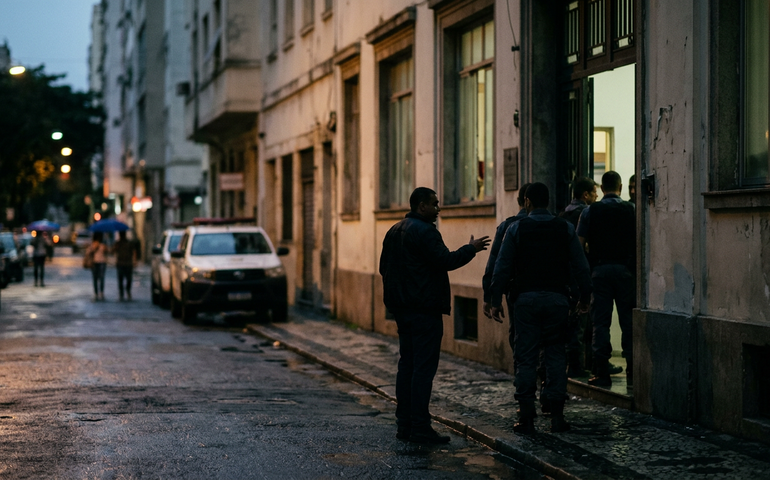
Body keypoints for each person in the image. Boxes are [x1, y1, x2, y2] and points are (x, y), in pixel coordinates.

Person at [379, 187, 490, 444]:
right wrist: (470, 248)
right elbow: (445, 261)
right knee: (422, 369)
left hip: (403, 310)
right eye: (434, 204)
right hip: (423, 309)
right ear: (421, 207)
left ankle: (404, 424)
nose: (439, 208)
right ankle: (419, 427)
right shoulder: (426, 231)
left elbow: (384, 268)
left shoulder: (394, 230)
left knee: (406, 365)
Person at [490, 182, 592, 435]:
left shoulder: (515, 229)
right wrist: (584, 297)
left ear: (526, 202)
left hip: (525, 301)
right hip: (557, 301)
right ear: (547, 201)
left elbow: (502, 267)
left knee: (526, 357)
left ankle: (526, 418)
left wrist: (494, 299)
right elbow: (580, 266)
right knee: (556, 355)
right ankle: (556, 416)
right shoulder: (565, 228)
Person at [577, 171, 636, 388]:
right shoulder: (631, 209)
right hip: (625, 271)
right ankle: (632, 368)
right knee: (628, 321)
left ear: (602, 189)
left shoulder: (590, 211)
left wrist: (588, 266)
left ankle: (601, 370)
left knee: (600, 322)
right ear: (620, 187)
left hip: (599, 271)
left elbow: (578, 244)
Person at [482, 183, 530, 375]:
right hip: (553, 292)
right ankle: (549, 387)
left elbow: (496, 264)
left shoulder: (508, 226)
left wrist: (491, 297)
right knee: (549, 342)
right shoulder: (559, 225)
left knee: (519, 336)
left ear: (521, 201)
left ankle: (524, 387)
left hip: (517, 293)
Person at [558, 177, 597, 378]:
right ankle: (577, 365)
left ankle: (571, 363)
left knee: (571, 321)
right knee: (580, 322)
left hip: (565, 274)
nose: (597, 196)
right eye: (594, 192)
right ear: (586, 195)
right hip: (580, 273)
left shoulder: (563, 214)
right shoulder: (585, 213)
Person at [113, 231, 137, 301]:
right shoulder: (118, 243)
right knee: (120, 279)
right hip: (120, 263)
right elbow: (113, 251)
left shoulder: (129, 243)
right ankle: (121, 293)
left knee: (128, 279)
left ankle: (128, 291)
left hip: (128, 263)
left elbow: (133, 251)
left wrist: (134, 261)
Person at [86, 232, 109, 301]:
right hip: (99, 263)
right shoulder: (96, 245)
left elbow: (87, 253)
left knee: (96, 279)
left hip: (98, 263)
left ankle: (98, 293)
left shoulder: (96, 245)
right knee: (100, 279)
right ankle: (100, 293)